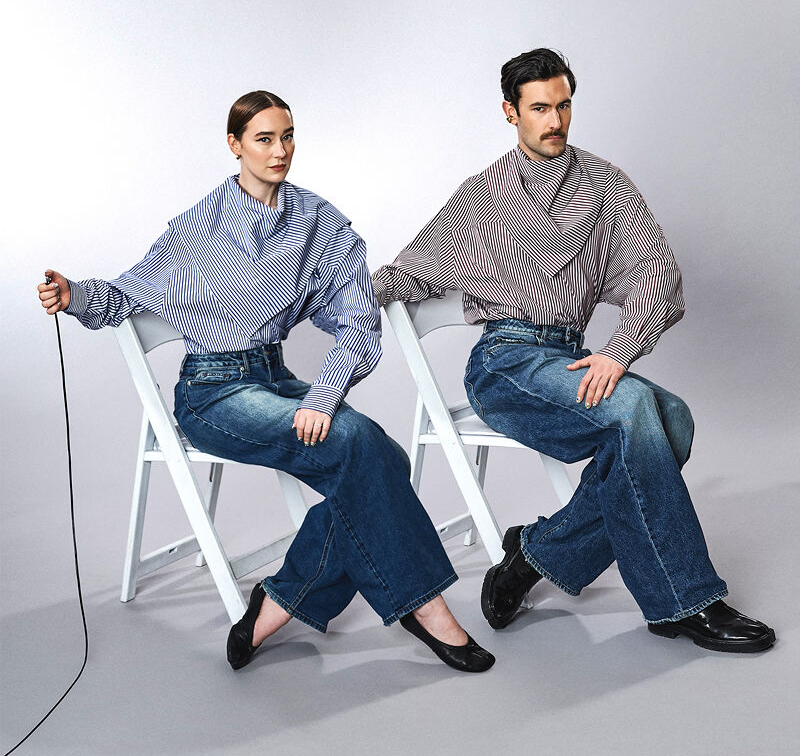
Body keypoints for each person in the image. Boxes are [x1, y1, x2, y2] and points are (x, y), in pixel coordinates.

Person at [37, 91, 494, 673]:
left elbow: (358, 319)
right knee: (363, 449)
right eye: (264, 138)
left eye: (288, 136)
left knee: (375, 452)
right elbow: (126, 294)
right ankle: (428, 611)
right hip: (213, 394)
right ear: (234, 145)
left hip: (278, 380)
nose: (281, 151)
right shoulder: (198, 223)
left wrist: (324, 393)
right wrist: (74, 294)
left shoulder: (316, 219)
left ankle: (278, 604)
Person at [372, 49, 775, 653]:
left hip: (569, 357)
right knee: (640, 414)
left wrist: (621, 349)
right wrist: (303, 279)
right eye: (539, 108)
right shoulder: (479, 195)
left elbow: (658, 274)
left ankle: (529, 559)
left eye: (563, 106)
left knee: (673, 421)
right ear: (510, 112)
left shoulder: (605, 182)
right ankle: (685, 601)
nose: (555, 120)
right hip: (504, 363)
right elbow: (404, 275)